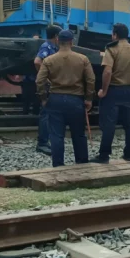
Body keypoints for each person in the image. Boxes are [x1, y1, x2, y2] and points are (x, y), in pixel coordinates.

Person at [36, 30, 95, 167]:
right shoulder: (83, 59)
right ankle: (82, 163)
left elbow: (39, 81)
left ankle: (58, 165)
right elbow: (91, 79)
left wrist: (44, 98)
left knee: (56, 136)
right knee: (79, 134)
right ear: (71, 42)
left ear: (58, 41)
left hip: (55, 100)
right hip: (76, 100)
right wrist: (88, 98)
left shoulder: (49, 60)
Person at [92, 23, 130, 164]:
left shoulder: (111, 49)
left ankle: (104, 155)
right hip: (128, 91)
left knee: (109, 124)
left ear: (115, 35)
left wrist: (104, 91)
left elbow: (108, 71)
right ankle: (129, 154)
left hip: (113, 91)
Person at [32, 26, 61, 156]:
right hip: (47, 86)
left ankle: (47, 141)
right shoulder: (47, 47)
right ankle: (42, 143)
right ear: (56, 36)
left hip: (52, 85)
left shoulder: (54, 48)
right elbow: (37, 61)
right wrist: (45, 76)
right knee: (46, 113)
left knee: (51, 113)